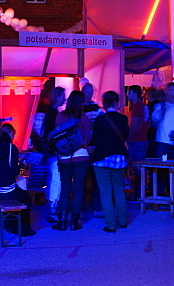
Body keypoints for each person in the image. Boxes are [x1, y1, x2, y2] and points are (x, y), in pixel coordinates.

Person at [0, 123, 35, 237]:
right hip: (6, 190)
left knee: (18, 193)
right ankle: (23, 228)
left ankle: (9, 224)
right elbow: (13, 172)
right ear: (10, 134)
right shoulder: (11, 148)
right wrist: (22, 165)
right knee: (25, 198)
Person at [89, 91, 130, 233]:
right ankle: (123, 221)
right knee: (119, 190)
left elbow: (94, 139)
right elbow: (125, 137)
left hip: (102, 159)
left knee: (105, 192)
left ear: (105, 103)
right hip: (119, 158)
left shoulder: (100, 120)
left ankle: (111, 225)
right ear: (117, 102)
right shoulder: (123, 119)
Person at [53, 89, 93, 231]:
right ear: (81, 103)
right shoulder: (84, 118)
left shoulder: (60, 116)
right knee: (78, 188)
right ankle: (75, 222)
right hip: (81, 155)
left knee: (65, 188)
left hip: (65, 156)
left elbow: (56, 136)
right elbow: (87, 139)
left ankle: (62, 222)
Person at [31, 83, 65, 223]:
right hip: (54, 152)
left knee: (53, 178)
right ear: (58, 97)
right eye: (63, 96)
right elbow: (52, 134)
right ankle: (52, 207)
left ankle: (51, 206)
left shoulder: (49, 112)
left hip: (50, 152)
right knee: (56, 179)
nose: (65, 98)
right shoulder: (54, 114)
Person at [125, 85, 149, 199]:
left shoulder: (137, 106)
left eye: (129, 93)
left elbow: (135, 124)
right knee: (140, 167)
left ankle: (138, 194)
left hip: (136, 140)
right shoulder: (142, 106)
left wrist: (128, 137)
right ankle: (140, 192)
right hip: (142, 139)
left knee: (137, 167)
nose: (127, 95)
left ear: (134, 93)